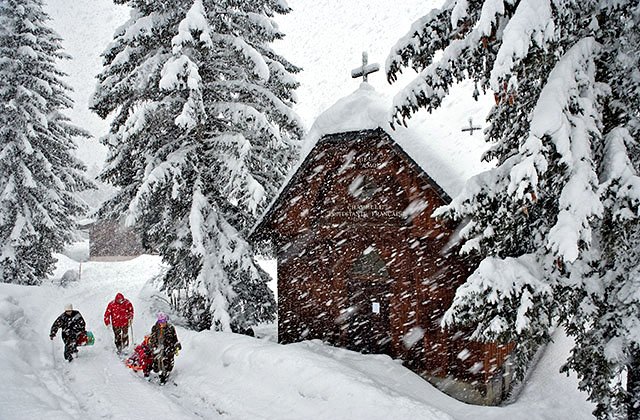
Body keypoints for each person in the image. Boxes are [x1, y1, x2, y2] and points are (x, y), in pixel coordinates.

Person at [148, 312, 181, 384]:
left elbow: (175, 338)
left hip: (168, 347)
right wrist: (152, 345)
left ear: (166, 320)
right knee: (158, 360)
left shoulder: (170, 328)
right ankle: (161, 373)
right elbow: (152, 338)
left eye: (163, 321)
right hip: (158, 346)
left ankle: (165, 374)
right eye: (160, 321)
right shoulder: (155, 328)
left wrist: (177, 345)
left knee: (167, 361)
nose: (162, 323)